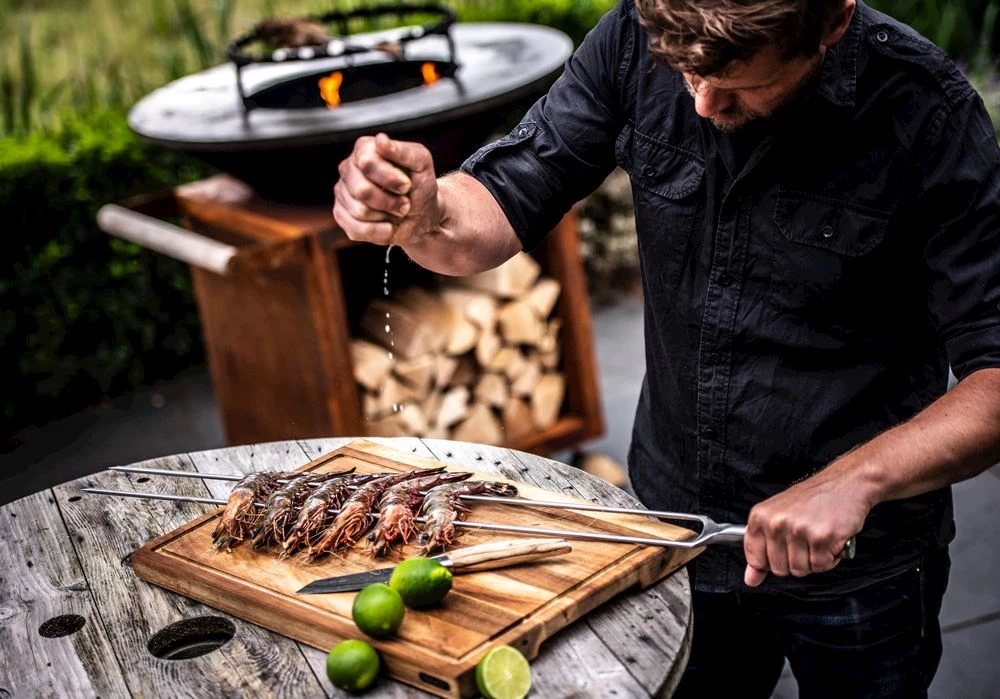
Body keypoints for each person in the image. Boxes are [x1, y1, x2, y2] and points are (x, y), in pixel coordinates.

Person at [333, 0, 1000, 695]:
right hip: (676, 528)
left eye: (741, 84)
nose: (704, 104)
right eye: (685, 73)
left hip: (861, 565)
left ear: (831, 22)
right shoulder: (634, 34)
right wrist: (428, 213)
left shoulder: (929, 113)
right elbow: (501, 201)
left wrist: (853, 480)